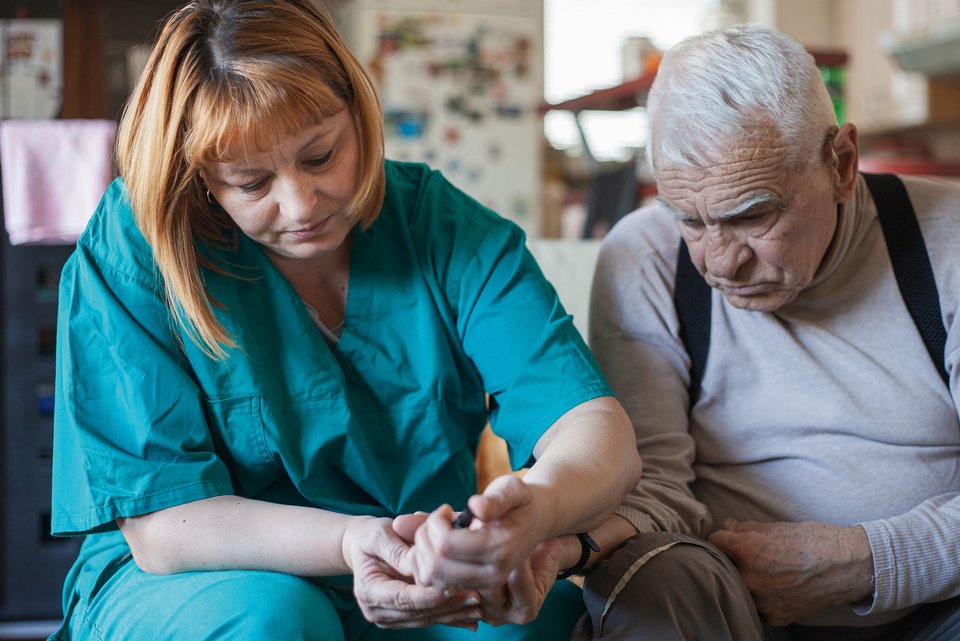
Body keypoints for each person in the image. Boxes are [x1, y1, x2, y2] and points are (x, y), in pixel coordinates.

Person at [47, 2, 641, 639]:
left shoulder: (446, 232)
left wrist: (536, 506)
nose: (302, 204)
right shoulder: (141, 246)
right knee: (272, 617)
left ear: (359, 113)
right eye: (251, 183)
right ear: (201, 180)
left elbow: (590, 424)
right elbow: (165, 529)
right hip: (197, 582)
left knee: (534, 624)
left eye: (321, 155)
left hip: (408, 565)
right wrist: (356, 540)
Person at [571, 24, 960, 641]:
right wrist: (563, 541)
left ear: (842, 164)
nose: (720, 262)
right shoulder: (643, 256)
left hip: (939, 613)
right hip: (734, 611)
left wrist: (869, 561)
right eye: (689, 221)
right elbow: (653, 486)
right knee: (651, 581)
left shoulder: (949, 243)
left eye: (752, 214)